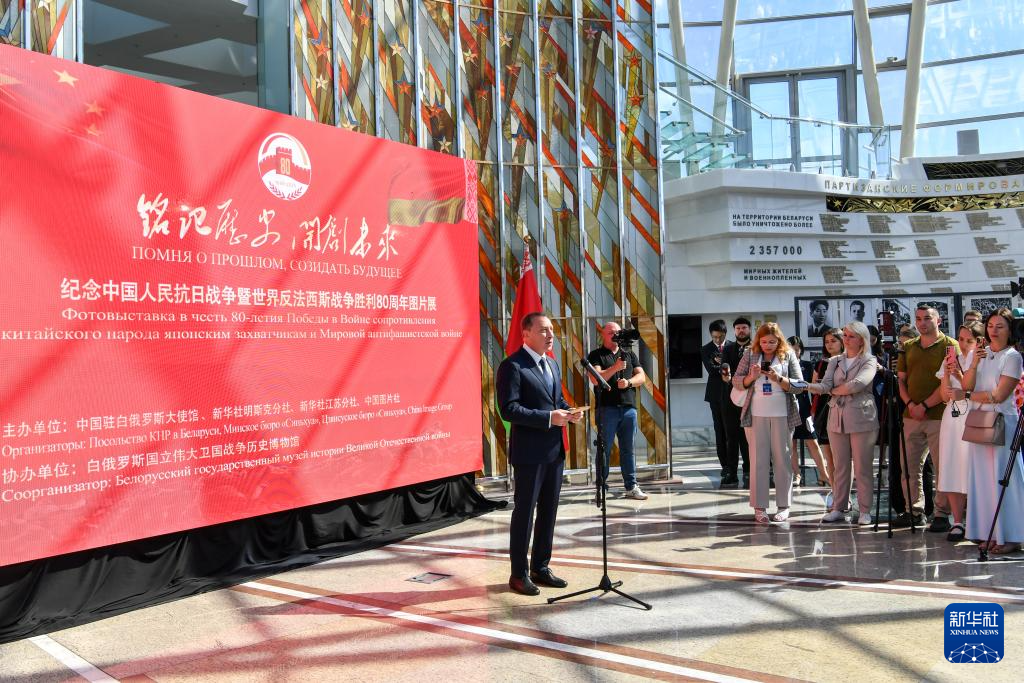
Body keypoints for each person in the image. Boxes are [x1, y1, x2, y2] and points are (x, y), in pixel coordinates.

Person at [496, 312, 584, 595]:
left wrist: (569, 411)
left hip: (554, 452)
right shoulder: (512, 366)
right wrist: (548, 418)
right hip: (529, 454)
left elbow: (556, 400)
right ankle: (518, 574)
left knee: (549, 512)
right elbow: (509, 409)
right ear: (526, 334)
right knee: (525, 514)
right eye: (544, 330)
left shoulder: (552, 364)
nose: (550, 335)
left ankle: (541, 567)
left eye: (552, 330)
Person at [961, 309, 1024, 554]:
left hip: (1003, 422)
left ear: (1009, 330)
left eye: (1000, 326)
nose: (993, 330)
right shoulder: (980, 354)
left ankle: (1011, 535)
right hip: (979, 422)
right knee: (983, 480)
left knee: (1004, 478)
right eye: (990, 325)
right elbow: (967, 384)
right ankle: (990, 532)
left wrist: (967, 395)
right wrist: (974, 363)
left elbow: (999, 395)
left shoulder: (1013, 356)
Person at [807, 322, 879, 525]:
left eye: (851, 336)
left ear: (862, 340)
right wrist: (806, 386)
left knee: (863, 466)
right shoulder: (835, 361)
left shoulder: (869, 360)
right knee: (840, 466)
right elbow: (825, 384)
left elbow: (858, 384)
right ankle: (838, 507)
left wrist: (833, 390)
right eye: (845, 335)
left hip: (862, 418)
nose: (846, 339)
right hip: (836, 418)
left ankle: (864, 510)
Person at [732, 323, 803, 523]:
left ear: (779, 340)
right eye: (764, 342)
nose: (767, 346)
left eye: (772, 342)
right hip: (756, 414)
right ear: (758, 341)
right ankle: (759, 506)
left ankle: (784, 506)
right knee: (757, 460)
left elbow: (799, 385)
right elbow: (736, 380)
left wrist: (778, 378)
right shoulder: (750, 353)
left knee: (783, 459)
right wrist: (751, 377)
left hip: (783, 414)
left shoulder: (788, 354)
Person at [895, 306, 958, 530]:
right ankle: (914, 510)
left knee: (942, 467)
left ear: (938, 320)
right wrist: (911, 405)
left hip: (939, 415)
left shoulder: (951, 345)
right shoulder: (908, 346)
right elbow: (901, 380)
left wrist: (924, 405)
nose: (922, 323)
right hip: (911, 415)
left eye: (927, 318)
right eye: (919, 319)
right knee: (909, 467)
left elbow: (949, 382)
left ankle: (941, 513)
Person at [587, 321, 649, 500]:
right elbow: (595, 379)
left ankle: (631, 486)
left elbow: (641, 376)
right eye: (611, 333)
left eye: (617, 332)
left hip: (629, 408)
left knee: (628, 449)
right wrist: (616, 368)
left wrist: (629, 382)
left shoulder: (629, 353)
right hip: (607, 409)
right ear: (603, 335)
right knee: (604, 449)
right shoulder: (596, 355)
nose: (615, 335)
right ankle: (601, 487)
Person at [936, 321, 984, 542]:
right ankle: (957, 521)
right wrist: (948, 373)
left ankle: (977, 519)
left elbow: (972, 388)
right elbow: (944, 395)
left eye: (969, 340)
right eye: (961, 339)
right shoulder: (951, 358)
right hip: (952, 416)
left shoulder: (982, 359)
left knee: (972, 466)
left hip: (973, 414)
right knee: (952, 465)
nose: (963, 344)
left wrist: (961, 373)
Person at [787, 336, 829, 488]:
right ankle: (796, 474)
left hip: (804, 408)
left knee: (812, 442)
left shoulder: (806, 365)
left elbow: (813, 387)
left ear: (801, 350)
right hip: (788, 408)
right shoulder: (783, 365)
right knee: (791, 444)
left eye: (797, 350)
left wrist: (813, 409)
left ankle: (824, 474)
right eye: (791, 349)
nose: (794, 352)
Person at [812, 329, 845, 502]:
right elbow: (814, 388)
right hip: (823, 412)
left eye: (833, 340)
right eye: (827, 341)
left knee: (843, 459)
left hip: (842, 410)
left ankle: (844, 495)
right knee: (829, 459)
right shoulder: (820, 363)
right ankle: (835, 492)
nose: (830, 344)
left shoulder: (848, 361)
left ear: (842, 341)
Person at [720, 317, 753, 487]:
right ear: (734, 330)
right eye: (738, 328)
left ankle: (749, 470)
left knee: (749, 437)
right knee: (731, 437)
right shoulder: (728, 348)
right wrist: (726, 376)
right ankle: (731, 472)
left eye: (744, 327)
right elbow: (724, 369)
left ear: (749, 329)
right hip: (730, 398)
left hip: (752, 398)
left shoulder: (756, 348)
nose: (741, 331)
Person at [702, 320, 734, 486]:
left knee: (732, 430)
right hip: (715, 395)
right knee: (719, 430)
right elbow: (711, 370)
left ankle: (735, 464)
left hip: (733, 393)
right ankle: (725, 466)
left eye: (720, 337)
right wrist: (724, 368)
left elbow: (736, 367)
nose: (718, 340)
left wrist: (720, 365)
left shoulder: (732, 347)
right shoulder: (706, 349)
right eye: (714, 337)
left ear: (725, 334)